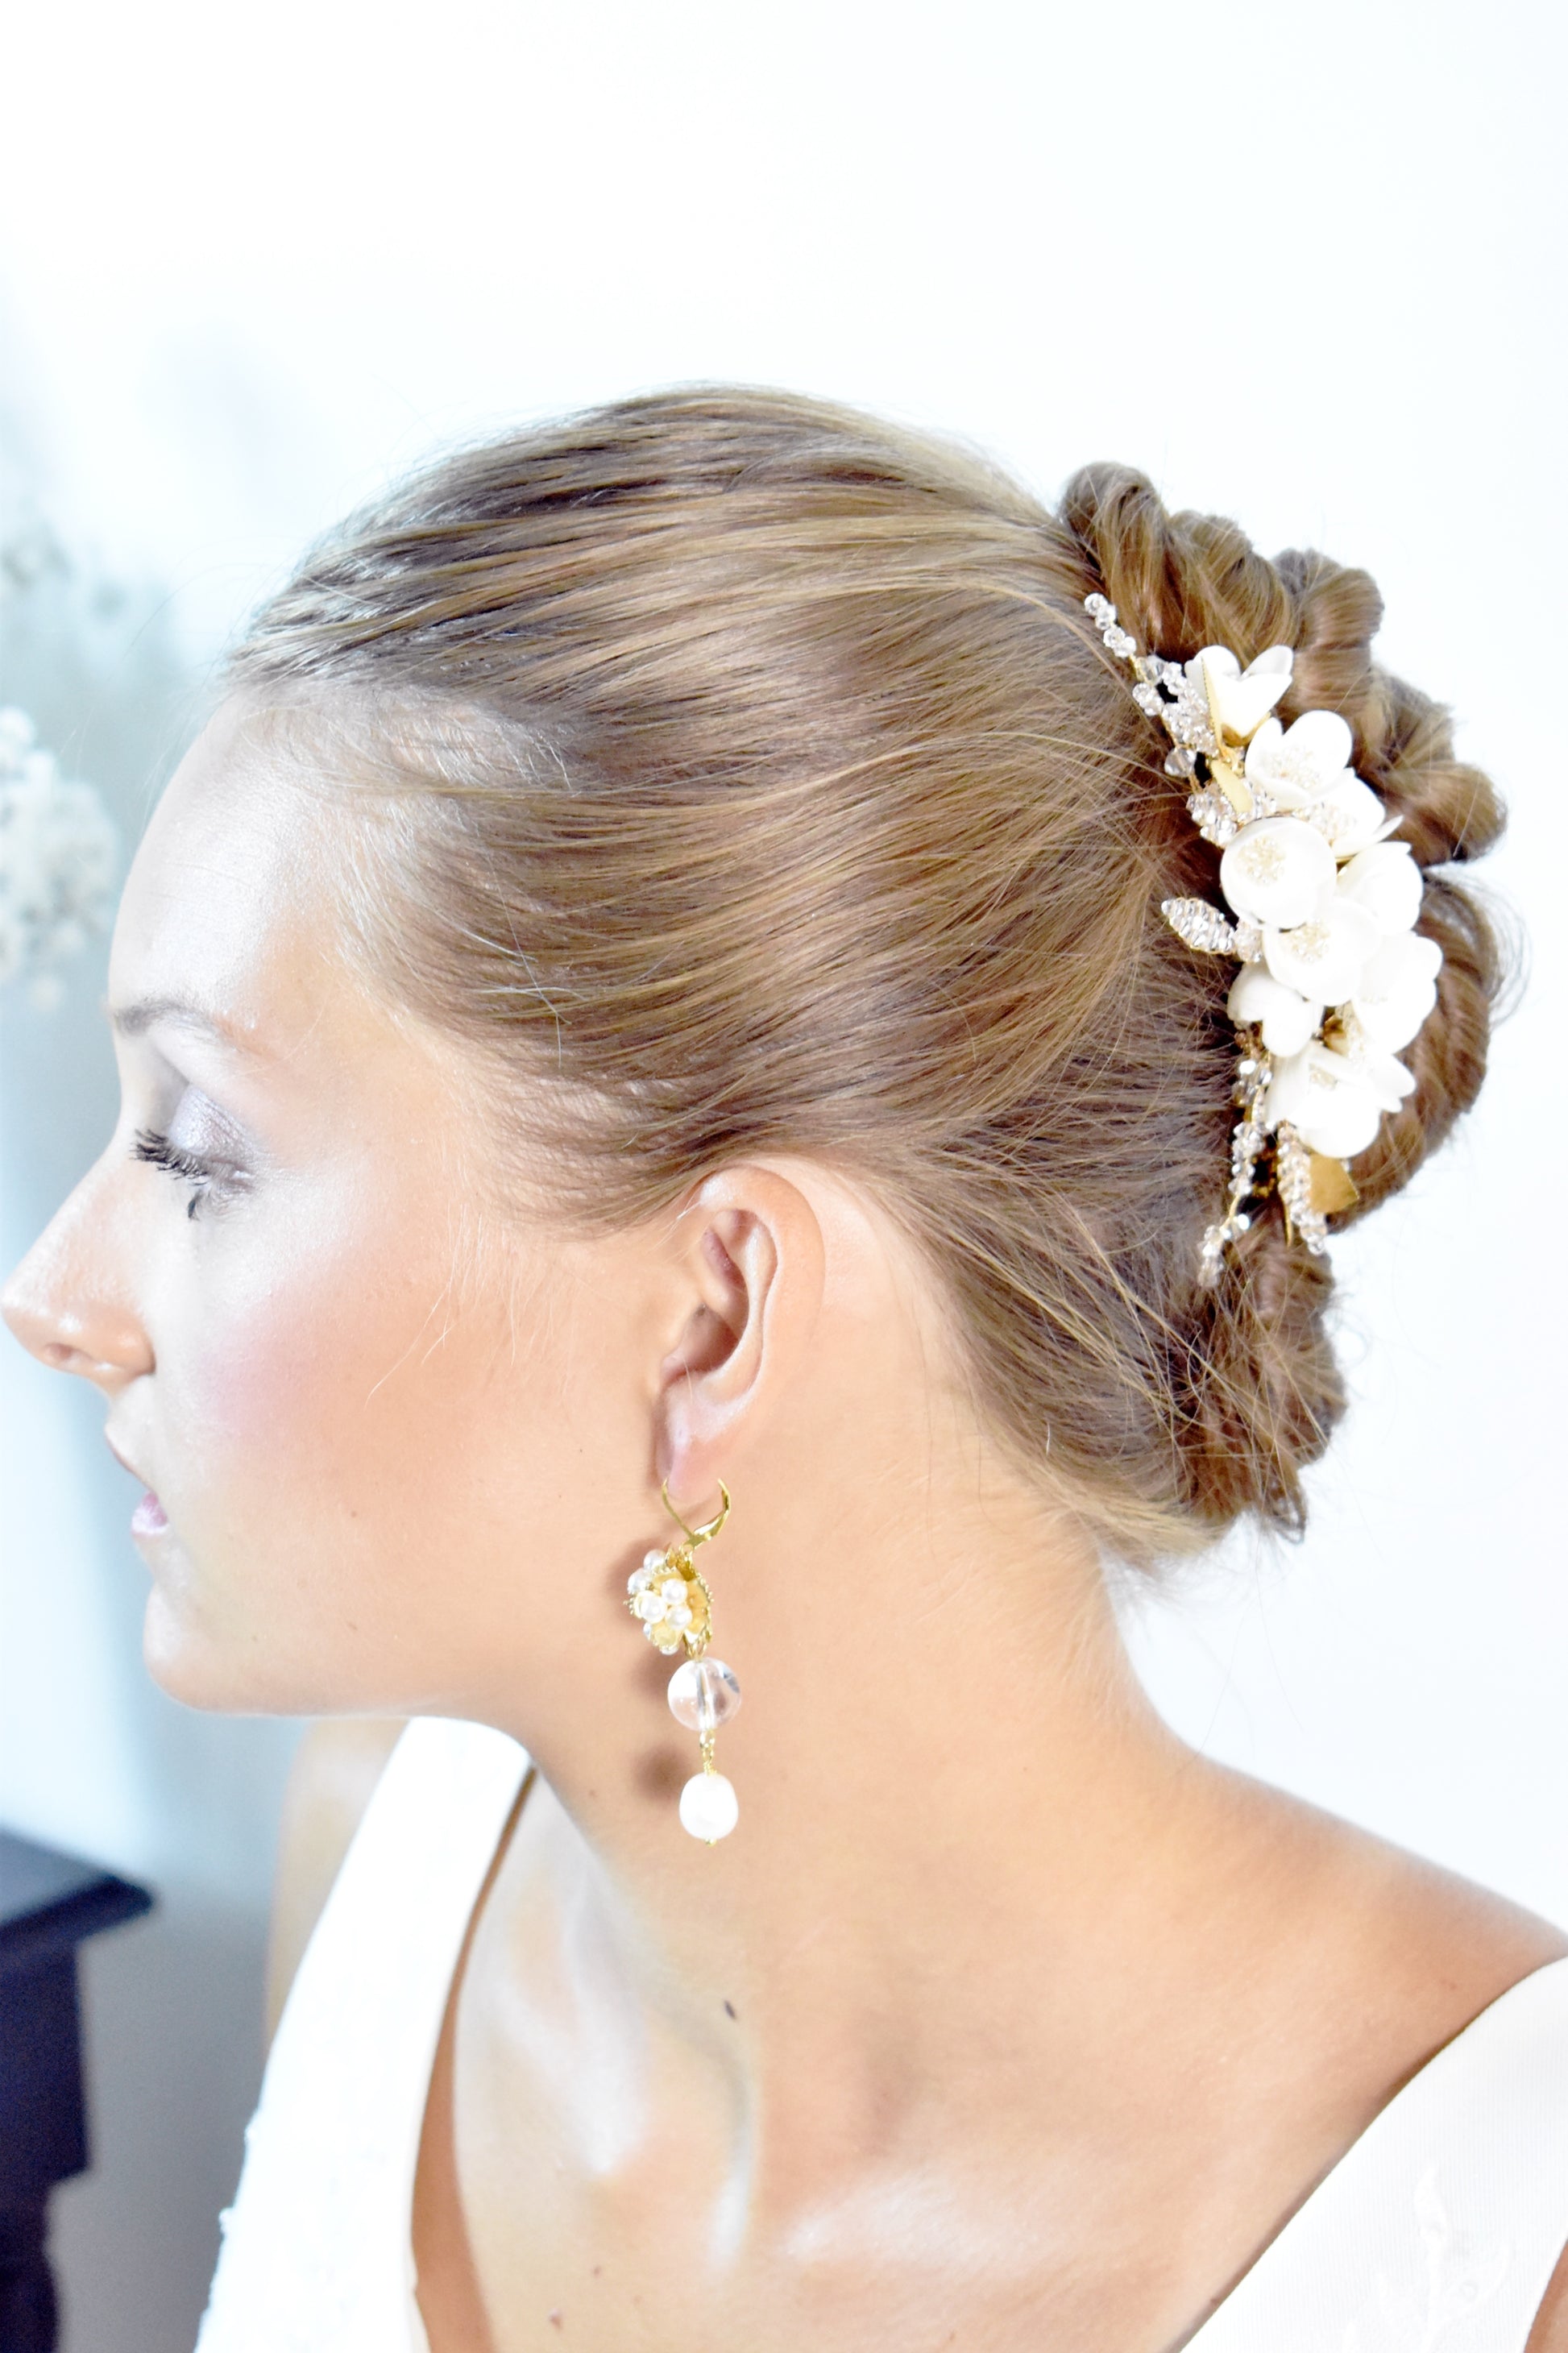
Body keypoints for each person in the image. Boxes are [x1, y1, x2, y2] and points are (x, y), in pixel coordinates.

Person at [5, 390, 1566, 2351]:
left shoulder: (1511, 2244)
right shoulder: (388, 1859)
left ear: (716, 1318)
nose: (53, 1293)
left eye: (199, 1151)